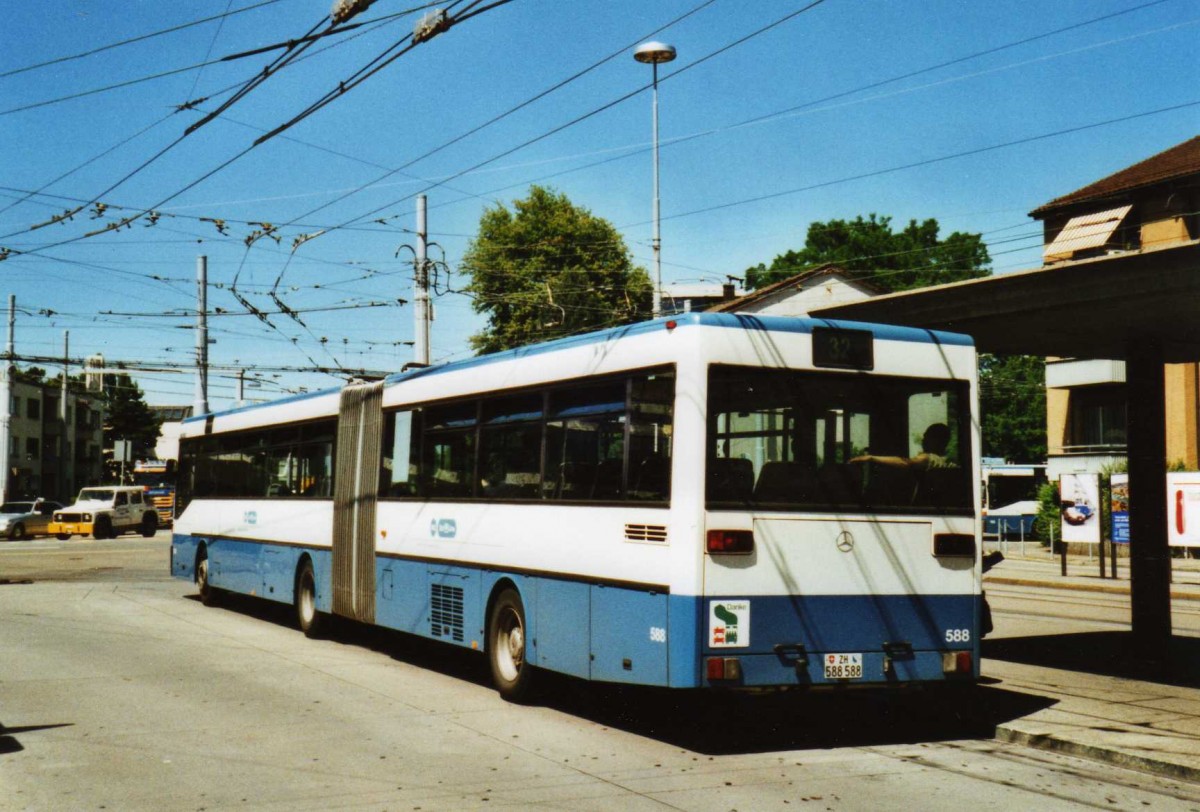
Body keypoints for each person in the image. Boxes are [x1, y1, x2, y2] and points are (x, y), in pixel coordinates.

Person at [850, 423, 954, 471]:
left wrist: (871, 458)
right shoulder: (947, 462)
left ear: (937, 440)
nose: (923, 440)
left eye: (926, 437)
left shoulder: (928, 459)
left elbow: (905, 462)